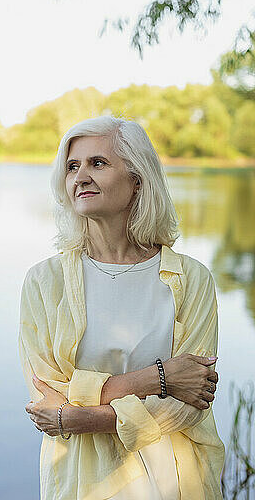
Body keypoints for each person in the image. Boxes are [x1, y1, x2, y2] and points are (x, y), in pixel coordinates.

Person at [18, 115, 225, 500]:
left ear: (137, 180)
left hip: (174, 482)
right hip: (80, 481)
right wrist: (159, 378)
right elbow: (46, 396)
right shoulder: (44, 282)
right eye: (72, 166)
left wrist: (83, 418)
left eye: (98, 163)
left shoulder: (192, 280)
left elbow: (190, 404)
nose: (80, 175)